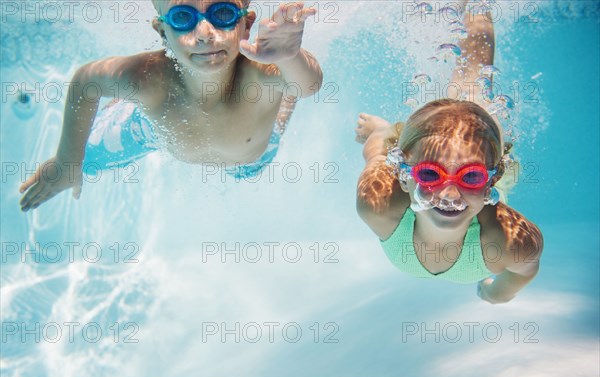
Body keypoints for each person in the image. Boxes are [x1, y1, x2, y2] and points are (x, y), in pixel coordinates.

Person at [19, 0, 322, 211]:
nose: (205, 34)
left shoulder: (261, 70)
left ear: (246, 24)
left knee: (288, 86)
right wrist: (66, 162)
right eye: (182, 18)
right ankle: (122, 106)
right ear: (162, 32)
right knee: (88, 157)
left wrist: (287, 57)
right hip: (153, 131)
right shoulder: (145, 76)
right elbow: (86, 81)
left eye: (223, 13)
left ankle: (284, 95)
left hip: (252, 157)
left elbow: (310, 85)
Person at [355, 2, 543, 304]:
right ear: (403, 177)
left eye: (471, 176)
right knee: (469, 91)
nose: (450, 195)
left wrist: (499, 293)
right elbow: (378, 157)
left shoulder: (512, 242)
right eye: (430, 174)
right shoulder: (377, 203)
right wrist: (379, 135)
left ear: (492, 180)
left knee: (476, 92)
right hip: (403, 154)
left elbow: (524, 271)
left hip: (483, 154)